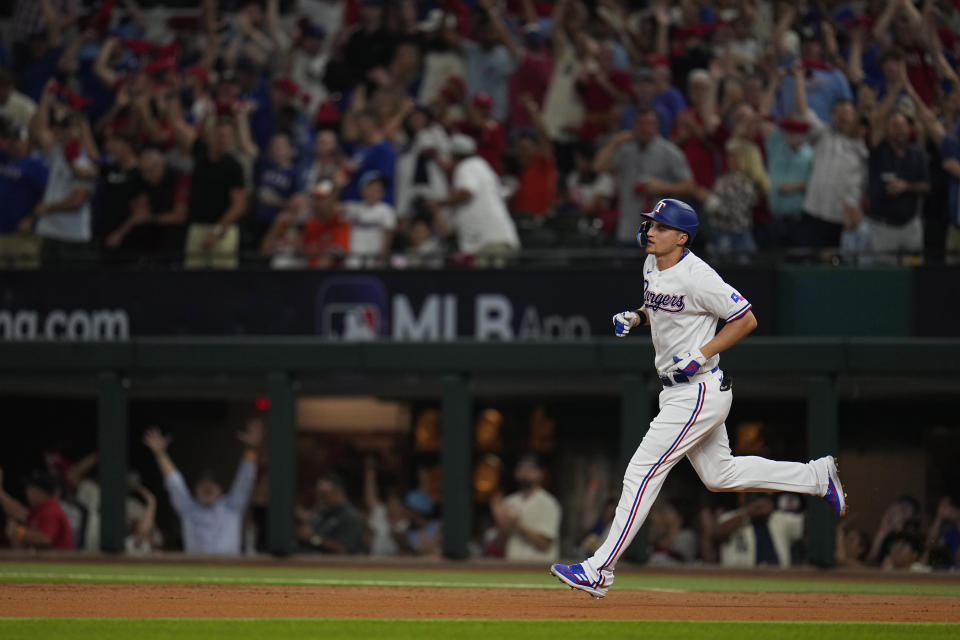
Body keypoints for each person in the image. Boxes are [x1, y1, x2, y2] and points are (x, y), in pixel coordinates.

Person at [550, 198, 846, 598]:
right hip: (677, 391)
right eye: (650, 224)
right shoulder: (653, 264)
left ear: (681, 237)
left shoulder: (698, 275)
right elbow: (662, 307)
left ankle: (599, 568)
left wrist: (702, 352)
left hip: (698, 390)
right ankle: (815, 476)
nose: (650, 230)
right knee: (720, 476)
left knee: (641, 471)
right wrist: (637, 316)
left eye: (659, 226)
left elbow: (746, 318)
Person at [142, 418, 263, 555]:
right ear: (195, 490)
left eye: (212, 484)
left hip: (229, 569)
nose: (208, 487)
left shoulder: (232, 508)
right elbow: (174, 483)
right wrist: (160, 454)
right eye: (203, 484)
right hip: (195, 570)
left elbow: (245, 480)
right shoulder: (189, 509)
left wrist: (252, 449)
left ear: (221, 490)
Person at [593, 107, 696, 246]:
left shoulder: (670, 152)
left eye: (651, 124)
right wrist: (614, 142)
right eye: (642, 124)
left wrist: (661, 187)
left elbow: (690, 186)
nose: (646, 129)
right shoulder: (626, 151)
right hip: (628, 230)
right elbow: (598, 167)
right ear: (635, 126)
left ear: (657, 126)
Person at [431, 134, 519, 267]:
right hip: (492, 240)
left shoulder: (467, 166)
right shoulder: (481, 167)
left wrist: (440, 203)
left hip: (490, 241)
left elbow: (467, 192)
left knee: (489, 284)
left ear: (454, 156)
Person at [490, 454, 561, 562]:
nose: (525, 472)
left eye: (530, 469)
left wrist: (518, 526)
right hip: (512, 566)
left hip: (539, 568)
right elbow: (500, 545)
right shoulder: (509, 501)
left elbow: (544, 545)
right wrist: (501, 521)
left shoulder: (549, 503)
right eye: (521, 468)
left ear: (541, 474)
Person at [715, 493, 804, 568]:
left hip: (778, 573)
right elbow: (717, 534)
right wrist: (747, 513)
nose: (760, 506)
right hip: (741, 574)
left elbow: (807, 525)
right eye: (755, 501)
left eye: (763, 501)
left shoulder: (779, 518)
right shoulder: (732, 517)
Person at [0, 468, 73, 550]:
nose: (27, 492)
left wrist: (18, 531)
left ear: (41, 492)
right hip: (46, 560)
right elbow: (20, 513)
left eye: (31, 489)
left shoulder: (50, 510)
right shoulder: (39, 509)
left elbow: (45, 539)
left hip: (58, 561)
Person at [296, 474, 366, 554]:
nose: (319, 498)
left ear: (338, 492)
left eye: (323, 494)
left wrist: (312, 538)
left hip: (338, 565)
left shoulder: (351, 517)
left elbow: (344, 549)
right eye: (318, 493)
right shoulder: (321, 514)